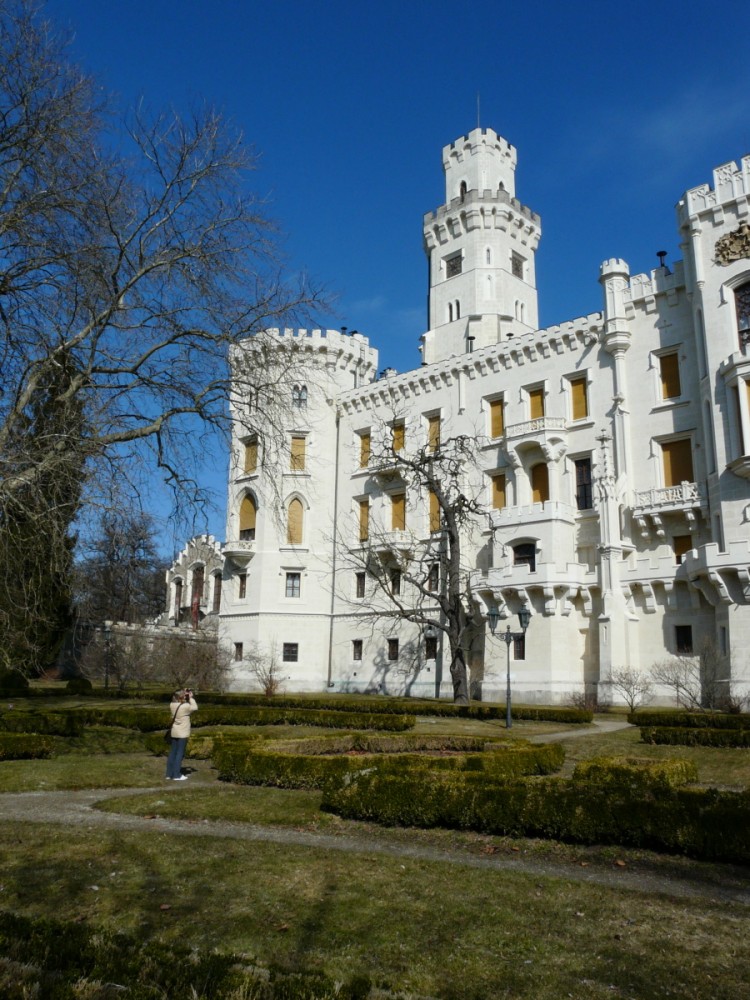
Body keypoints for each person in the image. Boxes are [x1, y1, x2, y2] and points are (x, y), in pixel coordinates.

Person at [165, 688, 198, 780]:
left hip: (174, 731)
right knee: (180, 753)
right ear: (181, 697)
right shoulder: (185, 706)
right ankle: (176, 775)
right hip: (182, 732)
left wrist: (184, 694)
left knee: (173, 752)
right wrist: (191, 698)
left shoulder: (172, 704)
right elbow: (195, 707)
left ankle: (169, 774)